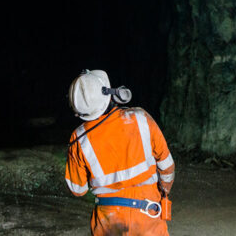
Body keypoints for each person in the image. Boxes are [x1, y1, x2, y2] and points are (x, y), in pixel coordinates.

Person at [65, 69, 175, 235]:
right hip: (148, 215)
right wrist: (164, 192)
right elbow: (167, 167)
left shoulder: (79, 139)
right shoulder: (141, 118)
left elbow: (78, 189)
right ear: (109, 94)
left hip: (108, 221)